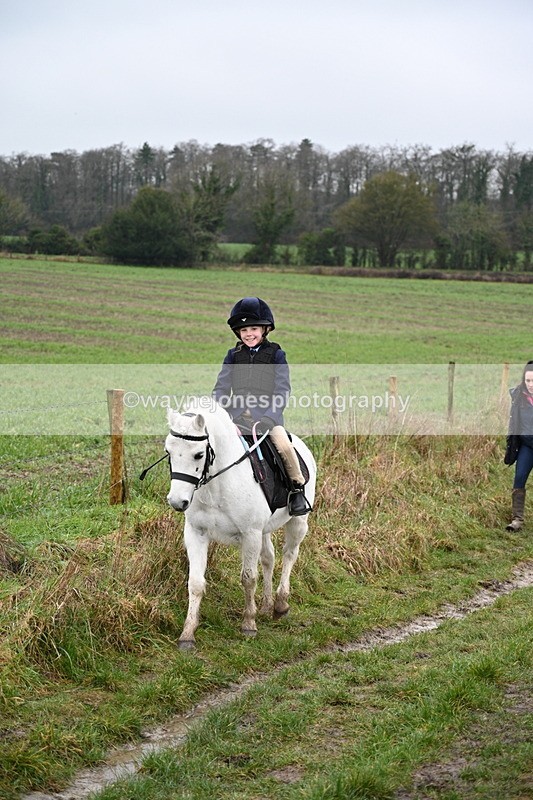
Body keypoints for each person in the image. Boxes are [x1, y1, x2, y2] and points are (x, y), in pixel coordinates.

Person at [213, 296, 310, 516]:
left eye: (254, 328)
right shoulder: (233, 356)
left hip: (267, 418)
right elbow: (220, 389)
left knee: (284, 447)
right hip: (235, 418)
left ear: (265, 329)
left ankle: (297, 490)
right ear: (238, 333)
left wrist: (270, 418)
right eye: (244, 330)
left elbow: (282, 390)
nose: (249, 334)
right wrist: (223, 418)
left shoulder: (276, 354)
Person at [504, 359, 533, 531]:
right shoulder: (519, 397)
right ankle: (517, 520)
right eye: (528, 380)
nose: (531, 384)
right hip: (526, 446)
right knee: (519, 477)